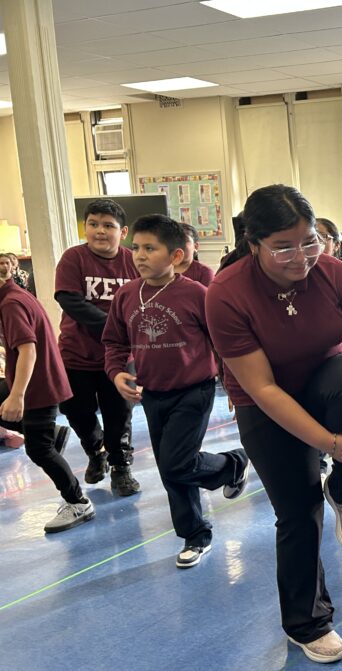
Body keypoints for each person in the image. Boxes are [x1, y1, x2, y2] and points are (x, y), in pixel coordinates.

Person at [206, 185, 342, 664]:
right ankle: (307, 623)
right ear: (253, 244)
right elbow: (264, 389)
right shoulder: (226, 294)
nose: (301, 257)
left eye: (310, 241)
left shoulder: (335, 274)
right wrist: (333, 444)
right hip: (264, 402)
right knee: (298, 509)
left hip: (327, 382)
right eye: (284, 247)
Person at [103, 215, 249, 568]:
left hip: (194, 391)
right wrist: (116, 372)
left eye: (150, 248)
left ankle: (216, 497)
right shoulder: (126, 295)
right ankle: (212, 501)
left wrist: (232, 384)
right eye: (135, 247)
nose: (139, 255)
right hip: (153, 395)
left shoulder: (197, 294)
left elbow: (221, 344)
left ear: (176, 256)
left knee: (175, 463)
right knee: (173, 470)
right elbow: (113, 341)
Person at [54, 198, 140, 496]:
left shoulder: (132, 260)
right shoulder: (73, 258)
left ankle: (121, 466)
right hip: (77, 354)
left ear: (123, 231)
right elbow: (70, 301)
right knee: (76, 411)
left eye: (108, 226)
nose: (100, 231)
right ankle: (95, 452)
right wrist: (115, 327)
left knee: (120, 413)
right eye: (93, 224)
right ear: (85, 227)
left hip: (119, 358)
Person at [0, 249, 87, 532]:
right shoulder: (13, 297)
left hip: (37, 386)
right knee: (39, 442)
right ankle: (54, 434)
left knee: (39, 450)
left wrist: (17, 395)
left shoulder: (11, 303)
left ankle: (78, 502)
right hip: (37, 381)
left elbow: (28, 350)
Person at [175, 222, 214, 286]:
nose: (178, 245)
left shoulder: (205, 273)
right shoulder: (160, 270)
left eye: (183, 240)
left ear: (195, 246)